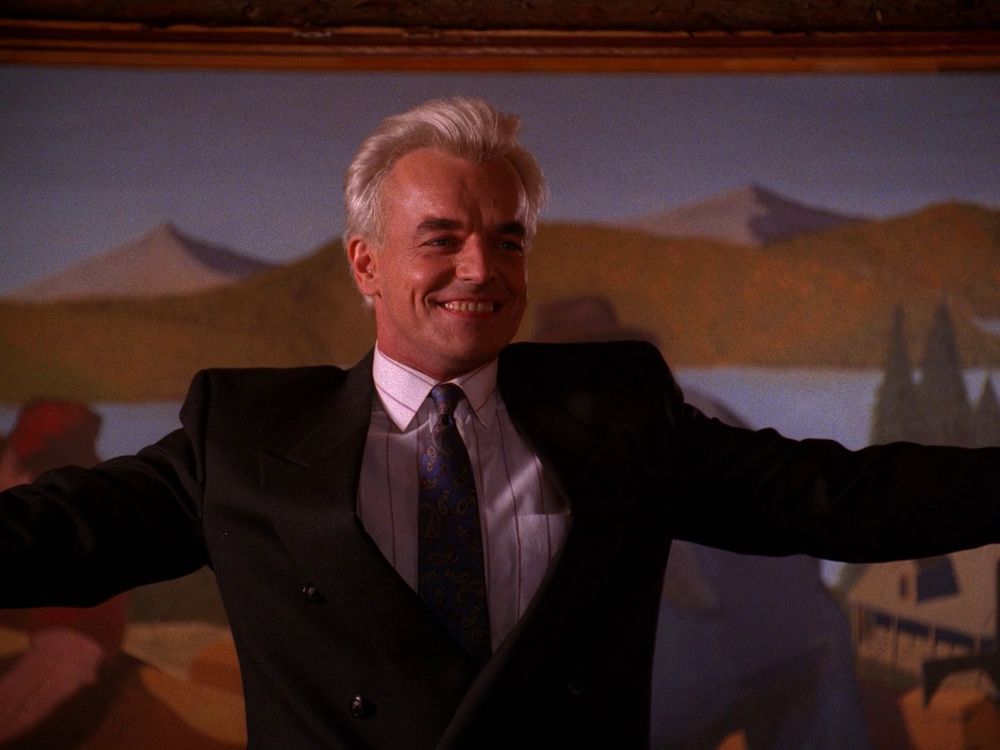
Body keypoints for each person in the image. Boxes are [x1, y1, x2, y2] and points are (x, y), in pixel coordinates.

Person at [1, 96, 998, 750]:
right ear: (365, 263)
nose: (480, 269)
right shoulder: (249, 433)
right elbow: (53, 537)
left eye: (507, 240)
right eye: (441, 238)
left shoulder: (619, 415)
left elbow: (841, 498)